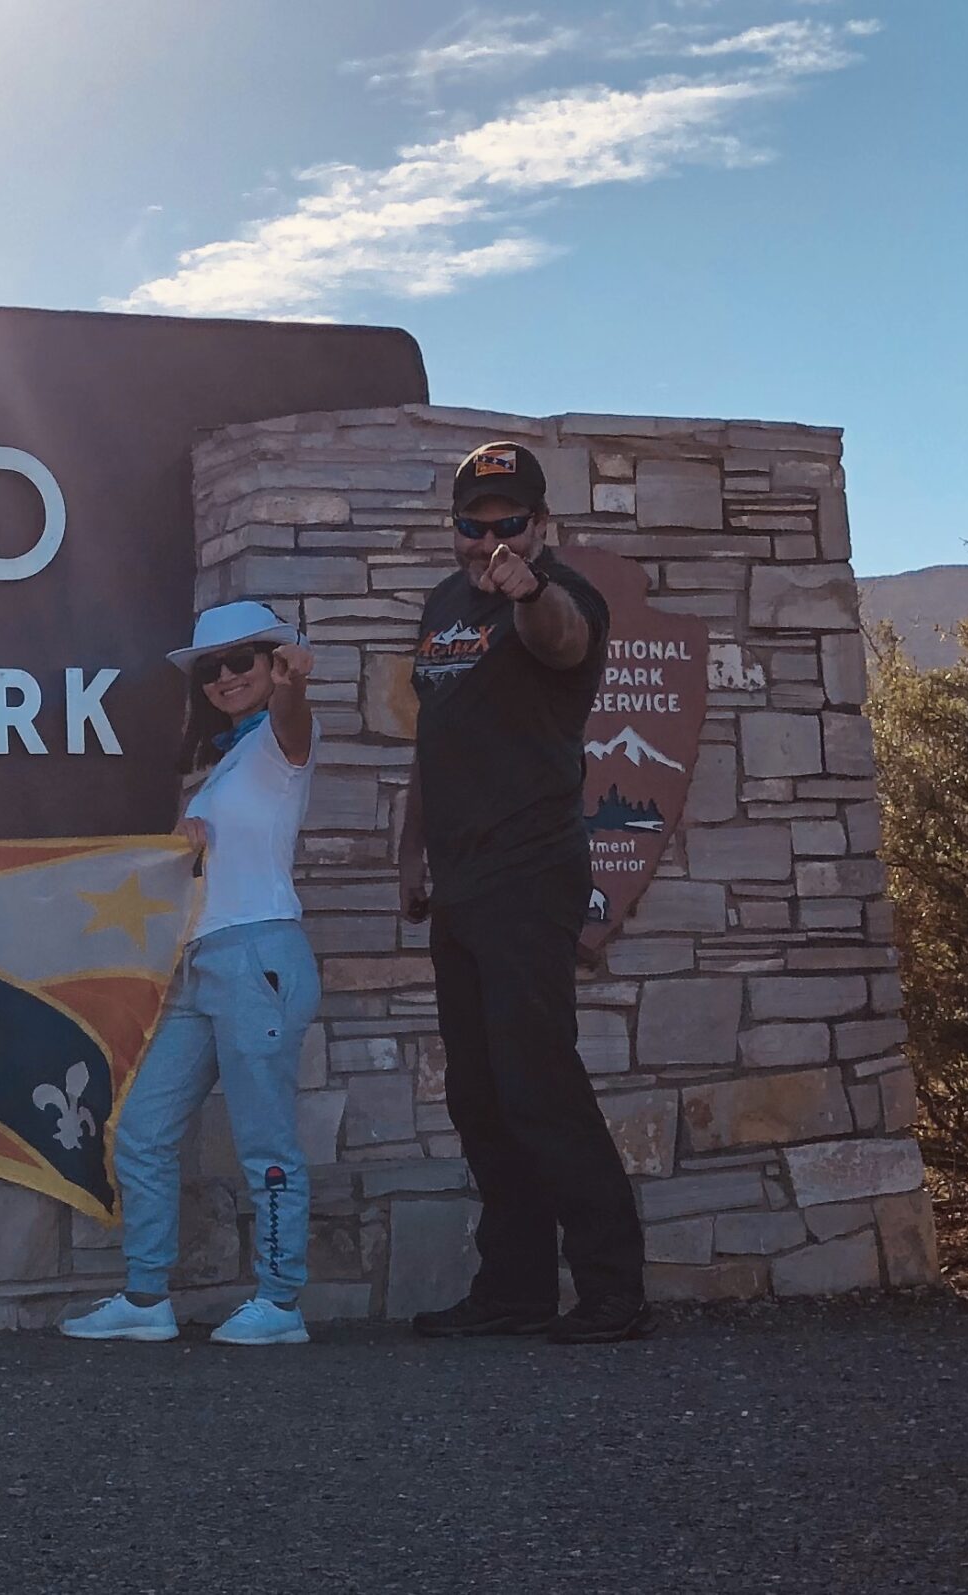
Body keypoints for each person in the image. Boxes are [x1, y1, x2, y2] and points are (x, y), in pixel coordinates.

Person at [401, 440, 650, 1345]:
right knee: (477, 1089)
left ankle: (615, 1291)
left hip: (531, 870)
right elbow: (439, 732)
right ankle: (514, 1286)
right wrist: (410, 853)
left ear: (543, 526)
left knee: (537, 1080)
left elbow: (566, 642)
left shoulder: (561, 595)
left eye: (509, 523)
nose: (489, 539)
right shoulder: (441, 605)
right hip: (460, 878)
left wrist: (529, 592)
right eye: (474, 523)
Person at [63, 600, 321, 1347]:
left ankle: (280, 1302)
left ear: (275, 662)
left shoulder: (281, 737)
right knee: (141, 1130)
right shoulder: (227, 760)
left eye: (243, 660)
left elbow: (297, 721)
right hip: (203, 961)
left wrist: (295, 685)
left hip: (256, 956)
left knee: (265, 1140)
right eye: (211, 668)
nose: (226, 677)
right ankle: (147, 1298)